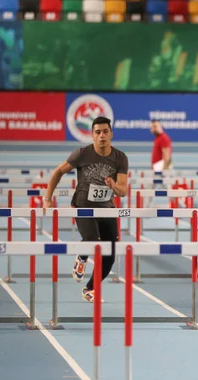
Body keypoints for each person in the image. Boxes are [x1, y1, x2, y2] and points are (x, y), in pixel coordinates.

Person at [44, 116, 128, 302]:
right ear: (92, 136)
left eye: (105, 131)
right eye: (98, 132)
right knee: (91, 239)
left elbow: (123, 191)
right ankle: (82, 258)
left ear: (111, 134)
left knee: (110, 254)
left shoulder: (120, 158)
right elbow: (58, 172)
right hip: (83, 206)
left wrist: (113, 185)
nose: (102, 136)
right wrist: (48, 199)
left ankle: (90, 289)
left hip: (106, 208)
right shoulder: (82, 154)